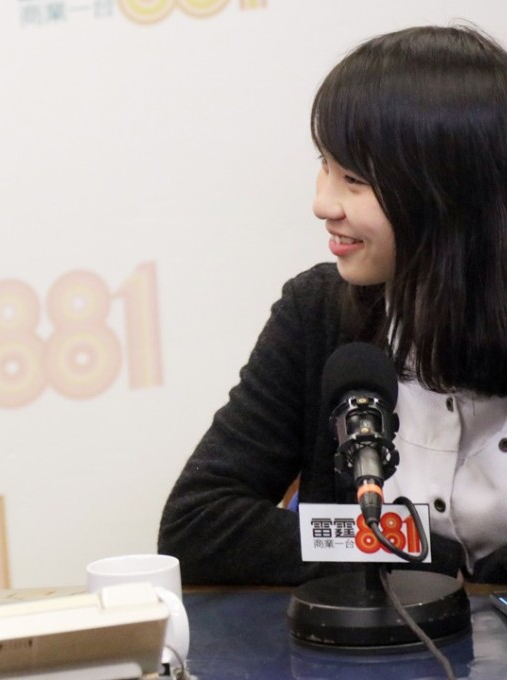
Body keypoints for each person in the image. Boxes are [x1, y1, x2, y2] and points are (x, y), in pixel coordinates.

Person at [158, 24, 507, 586]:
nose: (323, 203)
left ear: (451, 192)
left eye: (354, 179)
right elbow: (198, 524)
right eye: (325, 164)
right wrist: (422, 555)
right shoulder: (316, 310)